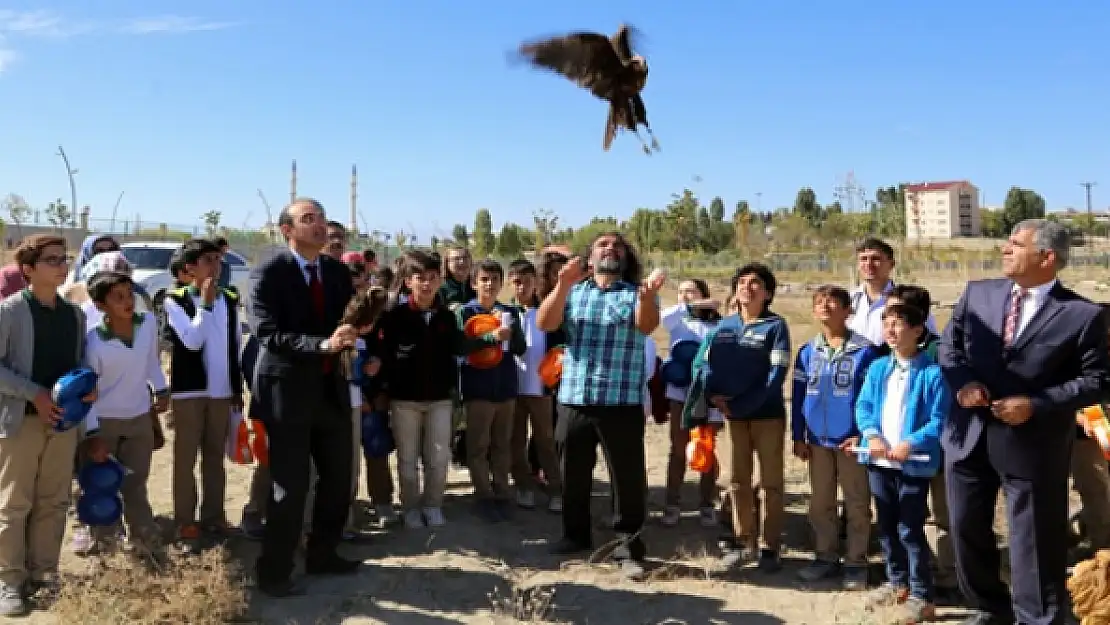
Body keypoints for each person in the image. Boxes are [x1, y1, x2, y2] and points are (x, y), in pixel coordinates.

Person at [938, 219, 1110, 625]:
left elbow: (1096, 381)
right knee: (966, 528)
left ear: (1047, 258)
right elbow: (950, 346)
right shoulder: (978, 294)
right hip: (970, 435)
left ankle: (1038, 618)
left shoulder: (1081, 315)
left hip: (1033, 444)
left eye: (1016, 244)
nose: (1005, 249)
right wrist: (963, 385)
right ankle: (989, 609)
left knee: (1033, 540)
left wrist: (1037, 403)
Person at [536, 231, 664, 581]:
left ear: (625, 258)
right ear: (589, 258)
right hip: (575, 398)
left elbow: (647, 326)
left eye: (618, 246)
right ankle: (575, 535)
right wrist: (562, 285)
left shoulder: (637, 294)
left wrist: (649, 297)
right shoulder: (573, 293)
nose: (611, 249)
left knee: (627, 478)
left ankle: (628, 546)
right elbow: (545, 323)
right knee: (573, 473)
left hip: (620, 401)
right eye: (603, 245)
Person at [249, 198, 359, 597]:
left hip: (331, 390)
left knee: (337, 479)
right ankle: (275, 572)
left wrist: (356, 327)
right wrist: (322, 345)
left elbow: (345, 320)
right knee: (290, 487)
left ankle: (323, 554)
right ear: (287, 231)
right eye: (308, 220)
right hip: (287, 392)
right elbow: (267, 333)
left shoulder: (335, 272)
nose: (319, 226)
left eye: (322, 219)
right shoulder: (269, 274)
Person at [0, 235, 99, 616]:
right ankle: (9, 581)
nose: (62, 266)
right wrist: (34, 394)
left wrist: (88, 387)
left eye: (65, 259)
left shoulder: (74, 315)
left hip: (62, 426)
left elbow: (77, 364)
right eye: (52, 260)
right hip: (20, 424)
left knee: (54, 502)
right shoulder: (10, 312)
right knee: (13, 504)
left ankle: (44, 576)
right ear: (28, 269)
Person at [684, 263, 791, 573]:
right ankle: (744, 543)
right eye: (742, 282)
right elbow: (703, 363)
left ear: (768, 292)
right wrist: (713, 395)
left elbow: (776, 374)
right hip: (732, 416)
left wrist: (744, 403)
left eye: (755, 283)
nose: (748, 287)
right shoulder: (724, 326)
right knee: (737, 481)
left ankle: (770, 548)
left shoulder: (775, 326)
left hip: (766, 414)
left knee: (770, 483)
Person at [373, 250, 482, 529]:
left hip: (439, 400)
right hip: (404, 400)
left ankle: (433, 505)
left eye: (433, 278)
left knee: (438, 456)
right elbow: (383, 353)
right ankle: (410, 507)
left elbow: (460, 347)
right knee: (407, 460)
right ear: (408, 281)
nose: (427, 284)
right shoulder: (394, 316)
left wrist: (488, 337)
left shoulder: (446, 317)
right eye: (420, 278)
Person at [856, 304, 950, 623]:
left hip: (913, 465)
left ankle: (922, 594)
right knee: (885, 526)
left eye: (898, 325)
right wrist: (872, 437)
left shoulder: (932, 373)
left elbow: (939, 418)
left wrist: (910, 443)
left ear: (918, 331)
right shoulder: (879, 368)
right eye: (887, 325)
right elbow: (864, 406)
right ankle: (897, 583)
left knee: (910, 529)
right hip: (880, 463)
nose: (891, 331)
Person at [791, 285, 879, 589]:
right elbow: (799, 394)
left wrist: (862, 435)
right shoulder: (806, 352)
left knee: (856, 502)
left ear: (847, 311)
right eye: (819, 301)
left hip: (851, 440)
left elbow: (872, 399)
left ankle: (856, 561)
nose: (825, 306)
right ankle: (825, 556)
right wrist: (798, 434)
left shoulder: (866, 352)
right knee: (820, 501)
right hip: (816, 439)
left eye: (832, 301)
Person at [77, 271, 169, 555]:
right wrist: (93, 435)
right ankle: (104, 546)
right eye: (118, 297)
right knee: (101, 486)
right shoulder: (94, 343)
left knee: (136, 483)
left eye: (129, 294)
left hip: (139, 418)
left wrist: (162, 389)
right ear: (100, 305)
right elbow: (88, 392)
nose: (127, 302)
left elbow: (151, 362)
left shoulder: (148, 323)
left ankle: (143, 541)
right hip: (104, 422)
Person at [163, 239, 243, 548]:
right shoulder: (176, 300)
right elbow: (192, 341)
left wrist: (236, 387)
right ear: (189, 268)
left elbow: (234, 345)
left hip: (221, 392)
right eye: (207, 260)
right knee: (185, 459)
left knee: (214, 457)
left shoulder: (231, 299)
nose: (215, 266)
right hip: (189, 393)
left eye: (217, 260)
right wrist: (206, 305)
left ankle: (214, 516)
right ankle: (185, 522)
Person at [457, 259, 526, 522]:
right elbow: (461, 347)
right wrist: (491, 337)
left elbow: (519, 349)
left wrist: (513, 331)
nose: (489, 284)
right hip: (479, 388)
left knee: (502, 444)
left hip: (506, 387)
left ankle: (503, 492)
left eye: (495, 279)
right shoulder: (465, 312)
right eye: (484, 279)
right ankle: (483, 495)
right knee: (478, 445)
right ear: (474, 283)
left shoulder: (508, 311)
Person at [659, 278, 723, 528]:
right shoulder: (677, 320)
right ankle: (672, 503)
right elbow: (664, 318)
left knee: (706, 448)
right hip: (680, 394)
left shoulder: (719, 324)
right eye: (681, 291)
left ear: (704, 294)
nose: (685, 295)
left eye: (691, 291)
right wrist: (690, 305)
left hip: (709, 395)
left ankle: (706, 504)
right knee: (678, 449)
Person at [507, 259, 564, 514]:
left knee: (546, 441)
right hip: (512, 390)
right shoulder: (504, 314)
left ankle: (555, 490)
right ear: (510, 283)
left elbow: (561, 348)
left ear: (535, 283)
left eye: (527, 282)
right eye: (517, 282)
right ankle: (524, 487)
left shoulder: (547, 312)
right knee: (515, 441)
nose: (522, 287)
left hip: (541, 389)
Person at [847, 238, 936, 345]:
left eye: (875, 259)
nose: (868, 264)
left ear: (892, 264)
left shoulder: (908, 301)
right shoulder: (847, 300)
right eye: (863, 259)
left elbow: (929, 341)